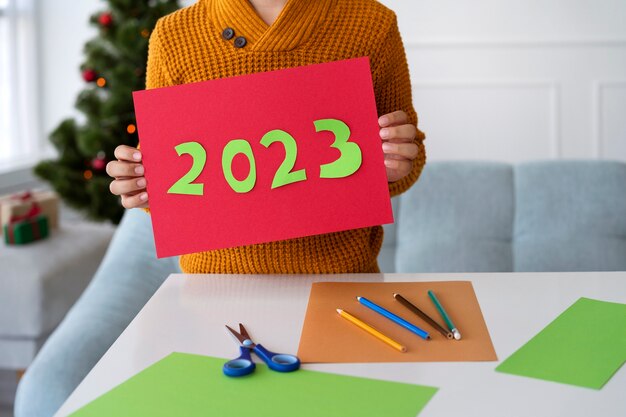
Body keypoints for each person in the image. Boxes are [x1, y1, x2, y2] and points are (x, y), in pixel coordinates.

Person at [107, 0, 426, 274]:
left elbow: (409, 152)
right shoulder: (173, 36)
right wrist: (143, 184)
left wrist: (396, 164)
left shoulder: (372, 25)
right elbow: (172, 174)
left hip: (342, 282)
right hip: (214, 287)